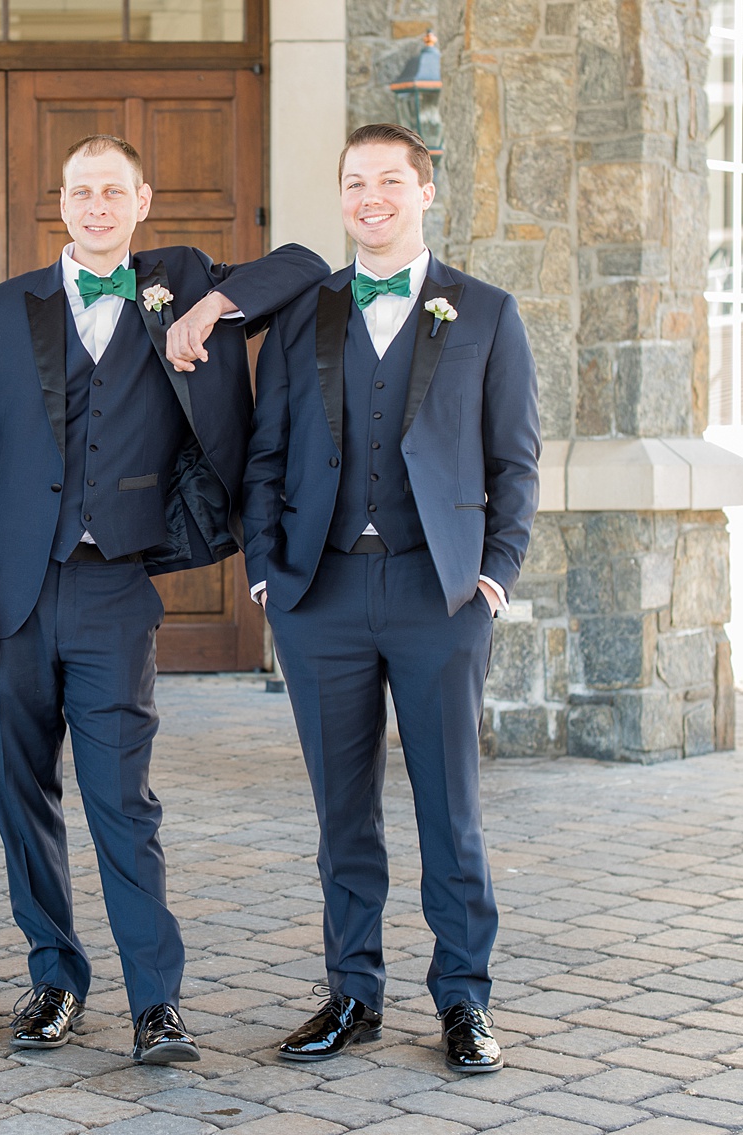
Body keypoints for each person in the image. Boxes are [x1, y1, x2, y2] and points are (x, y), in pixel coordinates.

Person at [0, 133, 327, 1063]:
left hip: (115, 591)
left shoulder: (181, 280)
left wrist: (217, 307)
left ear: (143, 201)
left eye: (115, 192)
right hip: (9, 592)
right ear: (59, 203)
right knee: (17, 793)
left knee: (122, 799)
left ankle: (157, 1001)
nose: (98, 207)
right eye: (82, 192)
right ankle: (55, 979)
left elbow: (305, 266)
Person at [212, 122, 541, 1073]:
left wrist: (493, 577)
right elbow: (264, 455)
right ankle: (351, 993)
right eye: (356, 182)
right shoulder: (306, 312)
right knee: (342, 811)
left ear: (424, 192)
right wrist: (267, 572)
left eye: (389, 181)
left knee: (451, 806)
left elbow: (514, 460)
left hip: (439, 594)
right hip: (321, 593)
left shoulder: (484, 312)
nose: (371, 198)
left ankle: (463, 1001)